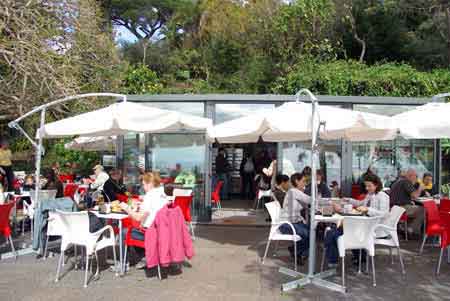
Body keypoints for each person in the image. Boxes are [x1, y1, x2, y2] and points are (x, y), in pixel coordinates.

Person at [324, 174, 390, 266]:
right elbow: (360, 203)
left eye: (369, 186)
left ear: (376, 185)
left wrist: (368, 209)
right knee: (337, 229)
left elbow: (385, 214)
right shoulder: (370, 194)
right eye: (366, 186)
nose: (367, 188)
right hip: (364, 223)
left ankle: (334, 260)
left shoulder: (382, 196)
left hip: (374, 227)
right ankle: (359, 256)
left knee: (334, 232)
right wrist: (349, 200)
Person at [119, 172, 168, 267]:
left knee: (124, 232)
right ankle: (144, 256)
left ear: (150, 184)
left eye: (144, 184)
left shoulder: (149, 196)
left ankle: (123, 264)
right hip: (161, 231)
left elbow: (138, 217)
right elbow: (153, 208)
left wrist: (126, 208)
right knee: (136, 228)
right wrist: (141, 204)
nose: (143, 187)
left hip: (150, 233)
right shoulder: (162, 194)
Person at [279, 172, 311, 263]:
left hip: (292, 222)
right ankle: (297, 252)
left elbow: (306, 204)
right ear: (297, 181)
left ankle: (296, 250)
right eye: (303, 181)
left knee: (310, 230)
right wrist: (328, 202)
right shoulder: (294, 191)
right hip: (285, 224)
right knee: (308, 233)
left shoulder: (295, 192)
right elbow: (310, 200)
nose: (305, 184)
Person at [390, 168, 423, 235]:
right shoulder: (406, 182)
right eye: (416, 177)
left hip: (394, 208)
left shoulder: (399, 181)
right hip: (401, 208)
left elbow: (402, 197)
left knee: (415, 208)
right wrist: (420, 188)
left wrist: (410, 202)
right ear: (411, 176)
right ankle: (411, 229)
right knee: (423, 210)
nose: (416, 179)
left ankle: (405, 228)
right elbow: (415, 195)